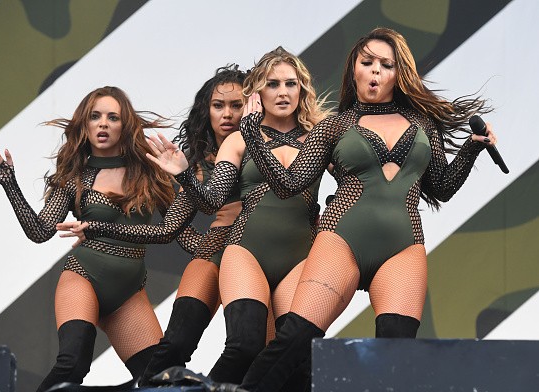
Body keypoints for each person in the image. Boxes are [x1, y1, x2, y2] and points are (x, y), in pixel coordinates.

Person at [236, 27, 498, 391]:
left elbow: (442, 187)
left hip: (402, 248)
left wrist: (471, 148)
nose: (376, 71)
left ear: (398, 74)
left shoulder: (423, 124)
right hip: (341, 238)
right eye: (367, 62)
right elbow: (287, 184)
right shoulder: (335, 126)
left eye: (386, 64)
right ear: (353, 70)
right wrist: (251, 134)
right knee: (294, 341)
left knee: (395, 354)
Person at [0, 86, 200, 392]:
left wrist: (231, 237)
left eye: (113, 117)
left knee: (160, 378)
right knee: (73, 364)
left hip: (128, 294)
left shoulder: (149, 172)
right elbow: (41, 231)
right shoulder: (74, 179)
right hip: (83, 279)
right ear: (84, 124)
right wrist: (9, 184)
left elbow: (182, 237)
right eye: (95, 116)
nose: (103, 123)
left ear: (125, 126)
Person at [146, 46, 330, 389]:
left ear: (302, 89)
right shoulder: (238, 139)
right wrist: (185, 175)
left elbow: (360, 178)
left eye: (291, 83)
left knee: (298, 357)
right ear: (258, 91)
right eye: (273, 84)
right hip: (245, 252)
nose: (283, 92)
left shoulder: (321, 136)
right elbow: (212, 199)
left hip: (300, 258)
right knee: (244, 345)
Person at [138, 64, 249, 384]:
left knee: (253, 349)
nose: (227, 114)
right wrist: (208, 244)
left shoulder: (263, 151)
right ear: (207, 112)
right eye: (218, 106)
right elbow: (171, 229)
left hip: (258, 253)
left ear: (252, 107)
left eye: (236, 105)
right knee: (176, 342)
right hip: (217, 254)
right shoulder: (198, 165)